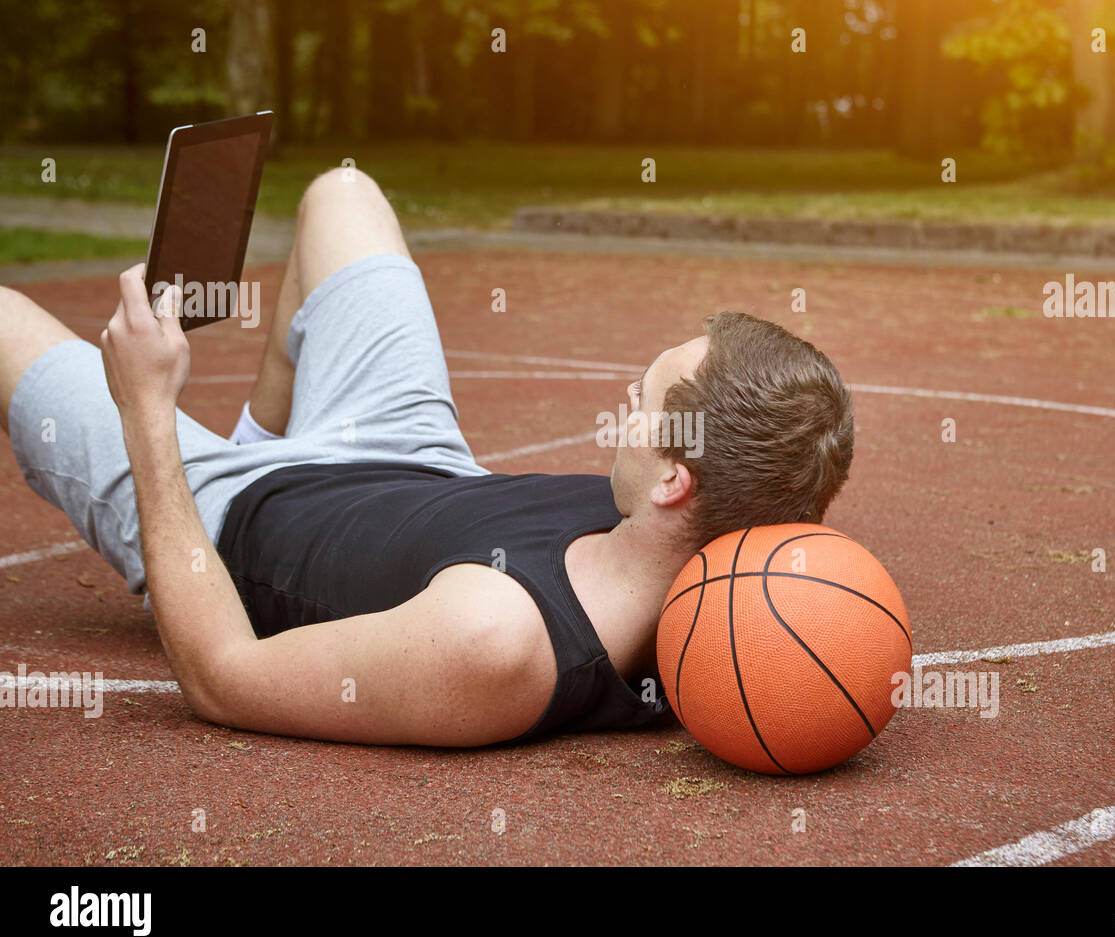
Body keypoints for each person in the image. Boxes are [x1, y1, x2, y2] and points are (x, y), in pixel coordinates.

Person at [0, 168, 854, 747]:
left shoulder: (496, 641)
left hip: (227, 518)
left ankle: (225, 456)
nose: (625, 404)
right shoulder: (712, 522)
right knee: (343, 190)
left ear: (676, 479)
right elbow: (793, 461)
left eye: (647, 396)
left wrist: (147, 407)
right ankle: (262, 431)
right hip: (414, 460)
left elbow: (224, 679)